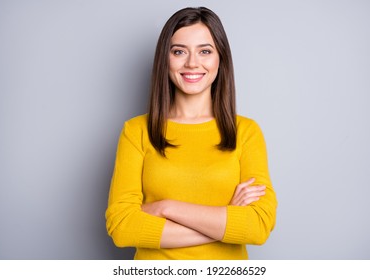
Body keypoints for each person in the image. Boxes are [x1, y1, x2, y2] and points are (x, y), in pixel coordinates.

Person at [105, 6, 277, 260]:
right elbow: (122, 227)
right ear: (166, 59)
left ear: (221, 58)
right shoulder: (136, 131)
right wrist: (225, 218)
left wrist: (166, 207)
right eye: (179, 52)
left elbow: (258, 225)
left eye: (205, 51)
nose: (192, 63)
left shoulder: (246, 132)